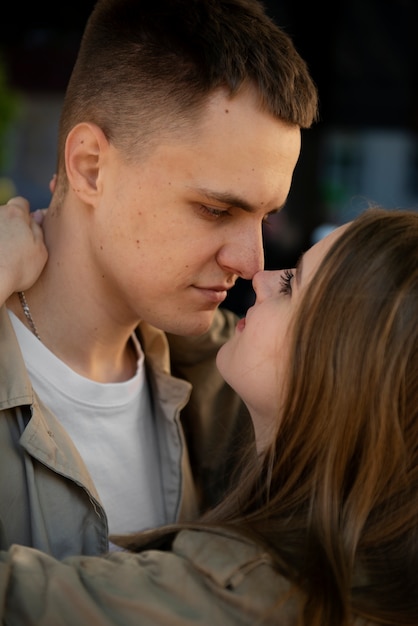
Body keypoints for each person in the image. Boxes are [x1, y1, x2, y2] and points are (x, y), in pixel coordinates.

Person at [0, 0, 319, 559]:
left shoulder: (234, 384)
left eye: (265, 218)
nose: (252, 263)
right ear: (91, 167)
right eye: (216, 210)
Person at [1, 205, 417, 626]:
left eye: (291, 285)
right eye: (215, 211)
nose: (259, 270)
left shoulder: (240, 599)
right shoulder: (373, 571)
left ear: (342, 370)